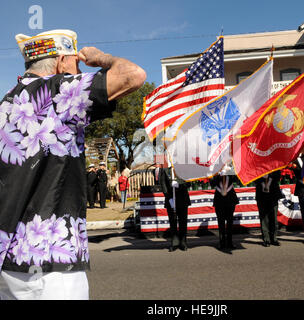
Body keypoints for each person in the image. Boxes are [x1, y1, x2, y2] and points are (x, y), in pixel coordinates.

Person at [0, 29, 146, 300]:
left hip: (8, 260)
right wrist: (102, 58)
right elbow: (132, 75)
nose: (78, 68)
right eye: (74, 62)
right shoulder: (59, 93)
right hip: (51, 264)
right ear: (60, 63)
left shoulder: (6, 102)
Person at [160, 166, 191, 252]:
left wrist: (179, 185)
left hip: (182, 198)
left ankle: (183, 242)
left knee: (183, 221)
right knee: (173, 222)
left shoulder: (184, 168)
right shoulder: (165, 169)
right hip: (171, 199)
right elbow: (163, 184)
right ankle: (174, 242)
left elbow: (189, 183)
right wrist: (168, 197)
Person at [210, 165, 239, 250]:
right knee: (221, 223)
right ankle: (222, 243)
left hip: (230, 200)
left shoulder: (230, 169)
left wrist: (231, 172)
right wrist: (219, 175)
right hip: (219, 201)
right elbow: (212, 184)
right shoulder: (215, 170)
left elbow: (237, 181)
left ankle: (230, 243)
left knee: (230, 223)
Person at [255, 170, 283, 247]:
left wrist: (270, 176)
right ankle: (266, 239)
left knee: (273, 218)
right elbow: (253, 177)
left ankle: (274, 238)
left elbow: (278, 176)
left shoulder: (274, 162)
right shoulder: (257, 164)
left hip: (273, 194)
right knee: (264, 218)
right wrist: (262, 177)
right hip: (261, 195)